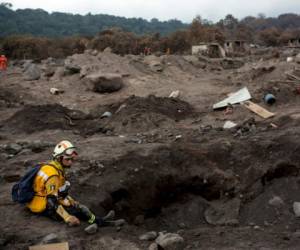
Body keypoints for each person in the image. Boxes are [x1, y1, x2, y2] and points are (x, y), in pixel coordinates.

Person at [27, 140, 123, 233]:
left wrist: (71, 201)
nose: (70, 162)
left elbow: (58, 192)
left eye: (72, 159)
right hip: (43, 207)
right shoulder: (53, 175)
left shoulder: (54, 167)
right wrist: (67, 217)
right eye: (67, 159)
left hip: (42, 200)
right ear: (59, 158)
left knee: (79, 206)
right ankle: (100, 224)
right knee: (80, 211)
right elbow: (51, 200)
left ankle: (98, 221)